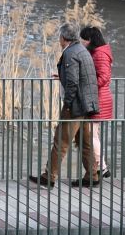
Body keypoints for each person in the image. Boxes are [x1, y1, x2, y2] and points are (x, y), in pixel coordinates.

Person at [32, 24, 100, 189]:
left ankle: (49, 176)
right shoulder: (83, 51)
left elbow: (72, 83)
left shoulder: (69, 54)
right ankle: (92, 176)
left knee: (60, 141)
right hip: (87, 104)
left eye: (59, 38)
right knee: (85, 141)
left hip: (75, 106)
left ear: (63, 38)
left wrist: (68, 105)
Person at [80, 25, 114, 180]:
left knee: (91, 134)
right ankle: (102, 166)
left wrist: (89, 84)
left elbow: (104, 77)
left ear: (90, 40)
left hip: (98, 98)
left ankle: (102, 167)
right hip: (98, 97)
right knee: (94, 134)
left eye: (84, 40)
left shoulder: (100, 54)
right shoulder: (98, 52)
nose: (82, 42)